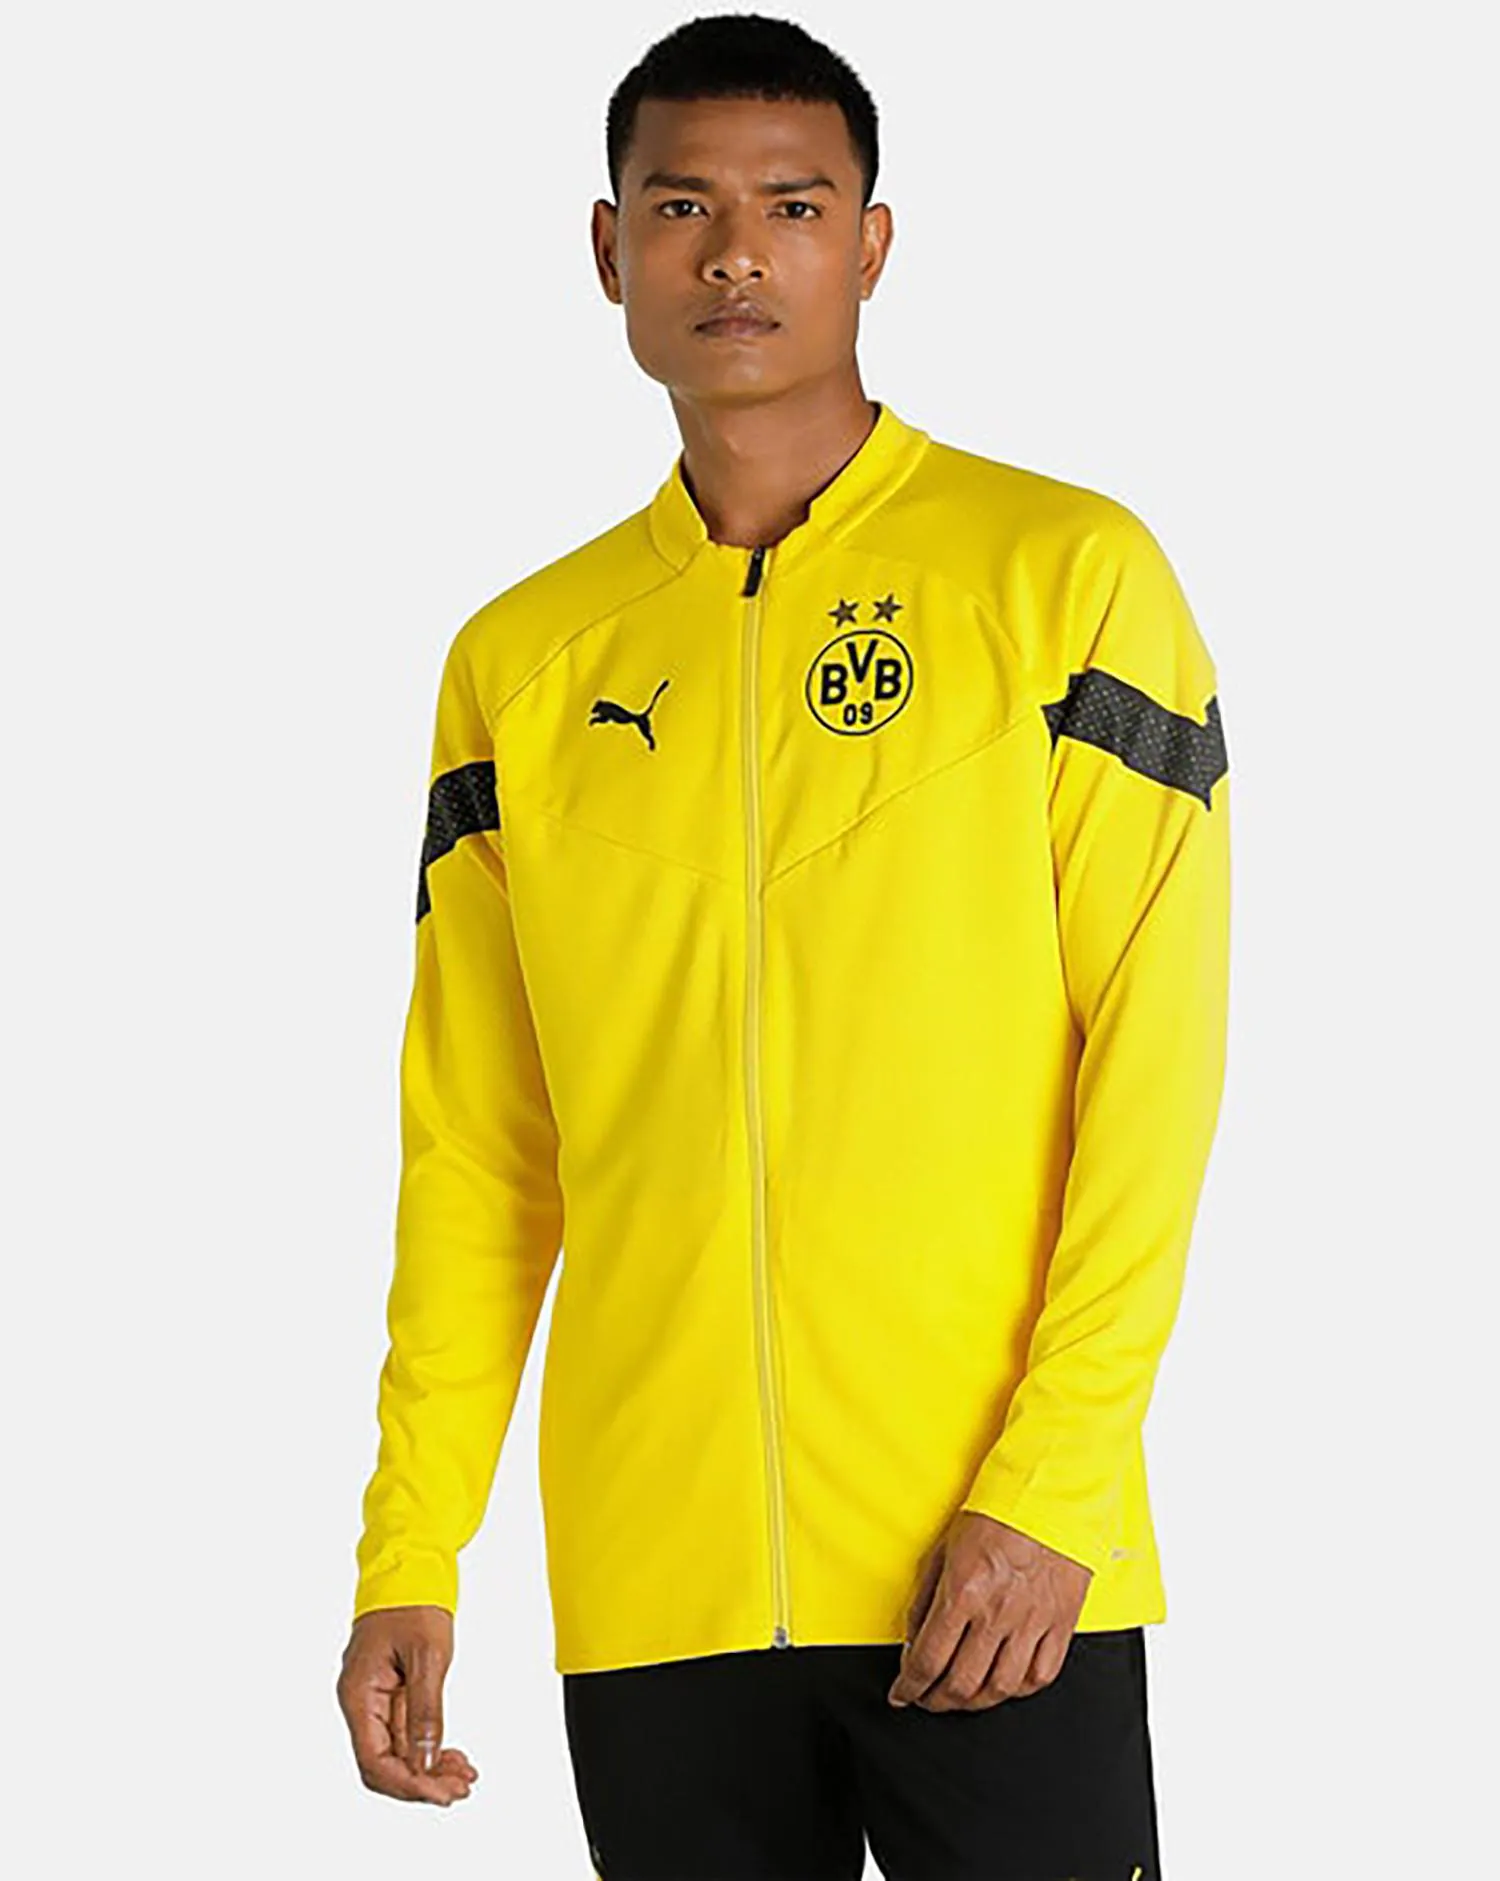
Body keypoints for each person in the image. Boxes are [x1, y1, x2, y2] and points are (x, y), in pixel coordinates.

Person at [336, 13, 1230, 1879]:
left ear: (872, 245)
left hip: (997, 1569)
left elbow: (1154, 1066)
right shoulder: (523, 663)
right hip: (656, 1592)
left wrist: (1055, 1485)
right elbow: (483, 1146)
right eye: (683, 208)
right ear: (610, 251)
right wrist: (413, 1544)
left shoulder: (1065, 577)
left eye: (794, 206)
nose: (736, 253)